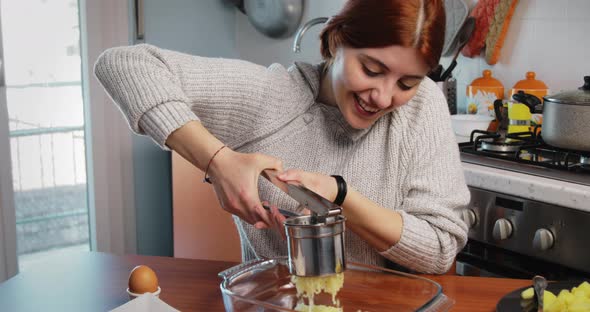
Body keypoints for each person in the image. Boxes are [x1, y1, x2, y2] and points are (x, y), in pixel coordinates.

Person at [94, 0, 469, 274]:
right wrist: (219, 162)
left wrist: (340, 195)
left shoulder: (421, 106)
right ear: (337, 41)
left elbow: (438, 250)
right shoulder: (270, 97)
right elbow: (124, 65)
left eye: (406, 82)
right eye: (371, 70)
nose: (384, 98)